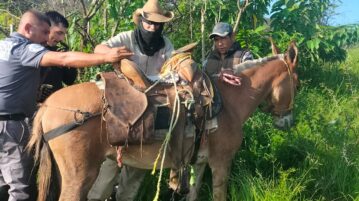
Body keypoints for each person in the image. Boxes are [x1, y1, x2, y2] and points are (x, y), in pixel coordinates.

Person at [0, 10, 133, 201]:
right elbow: (64, 58)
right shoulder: (23, 49)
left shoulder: (3, 45)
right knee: (20, 189)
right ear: (28, 29)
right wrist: (106, 57)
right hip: (12, 125)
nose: (47, 38)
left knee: (3, 181)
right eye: (45, 32)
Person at [88, 0, 175, 200]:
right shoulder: (127, 37)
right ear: (141, 21)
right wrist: (111, 54)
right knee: (111, 158)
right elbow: (99, 49)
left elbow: (172, 65)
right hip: (124, 100)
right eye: (149, 23)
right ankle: (97, 197)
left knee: (141, 158)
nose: (152, 27)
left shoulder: (166, 44)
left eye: (157, 24)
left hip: (152, 100)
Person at [37, 11, 78, 102]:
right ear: (46, 28)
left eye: (63, 34)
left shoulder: (58, 51)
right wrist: (36, 92)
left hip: (56, 106)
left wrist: (69, 64)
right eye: (59, 33)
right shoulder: (29, 50)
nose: (61, 38)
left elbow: (69, 81)